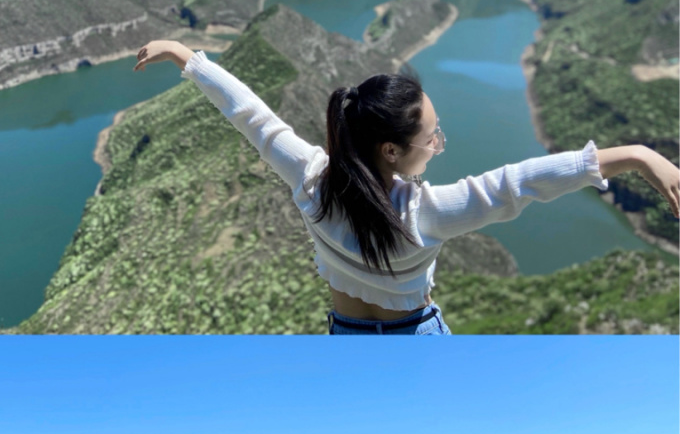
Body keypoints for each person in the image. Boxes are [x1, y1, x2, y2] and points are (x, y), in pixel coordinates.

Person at [133, 40, 680, 335]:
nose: (439, 143)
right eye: (432, 137)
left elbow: (254, 118)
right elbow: (518, 184)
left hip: (343, 337)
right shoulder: (428, 211)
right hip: (416, 338)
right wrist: (634, 156)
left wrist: (189, 59)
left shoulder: (310, 178)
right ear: (390, 149)